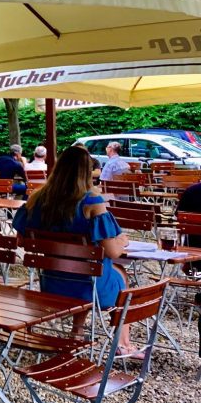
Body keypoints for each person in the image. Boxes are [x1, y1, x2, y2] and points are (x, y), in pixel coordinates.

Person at [12, 146, 138, 357]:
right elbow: (113, 252)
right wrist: (121, 240)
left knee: (88, 271)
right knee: (119, 273)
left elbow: (21, 241)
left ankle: (77, 332)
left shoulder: (36, 199)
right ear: (87, 172)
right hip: (89, 287)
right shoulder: (92, 202)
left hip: (52, 283)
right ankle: (124, 344)